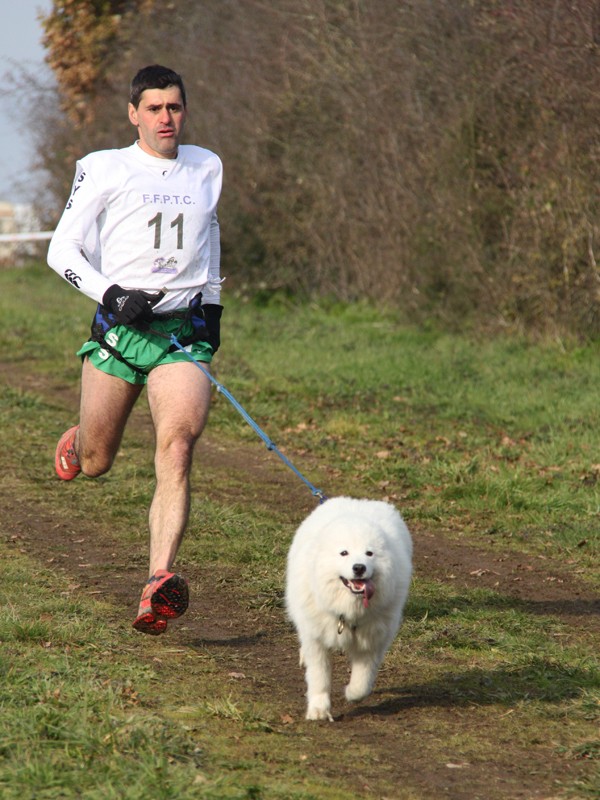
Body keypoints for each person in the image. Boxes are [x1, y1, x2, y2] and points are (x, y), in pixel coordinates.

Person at [47, 64, 223, 636]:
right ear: (133, 113)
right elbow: (62, 250)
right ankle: (80, 441)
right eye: (154, 108)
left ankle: (158, 579)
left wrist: (213, 307)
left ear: (184, 111)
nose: (165, 118)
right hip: (121, 333)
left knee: (177, 446)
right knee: (97, 462)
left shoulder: (206, 166)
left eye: (173, 107)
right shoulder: (104, 167)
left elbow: (209, 235)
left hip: (181, 337)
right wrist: (113, 294)